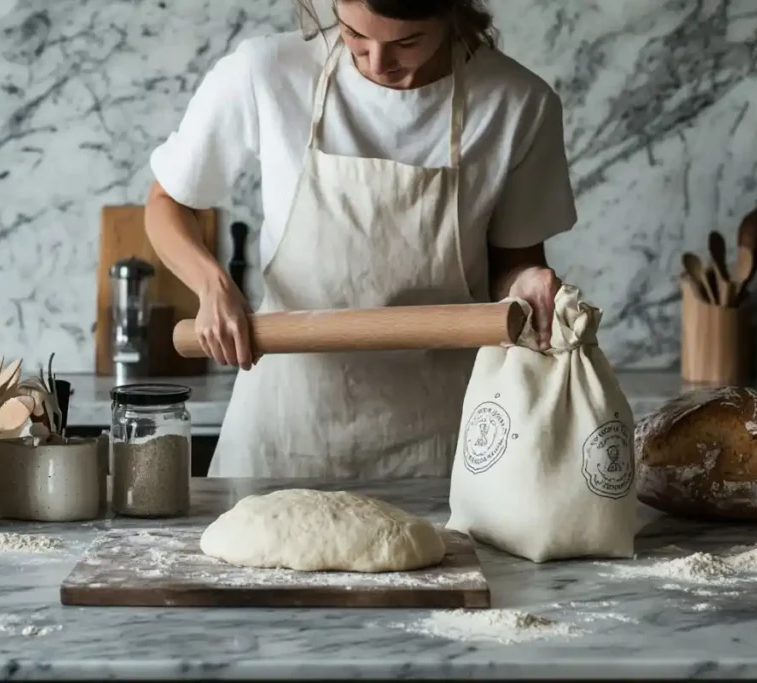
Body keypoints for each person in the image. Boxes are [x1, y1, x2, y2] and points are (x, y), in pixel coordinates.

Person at [144, 0, 577, 478]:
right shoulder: (266, 72)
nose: (376, 62)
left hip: (441, 443)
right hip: (286, 434)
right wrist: (212, 285)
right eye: (353, 34)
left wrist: (528, 283)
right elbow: (168, 204)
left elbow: (512, 267)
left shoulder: (517, 103)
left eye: (406, 43)